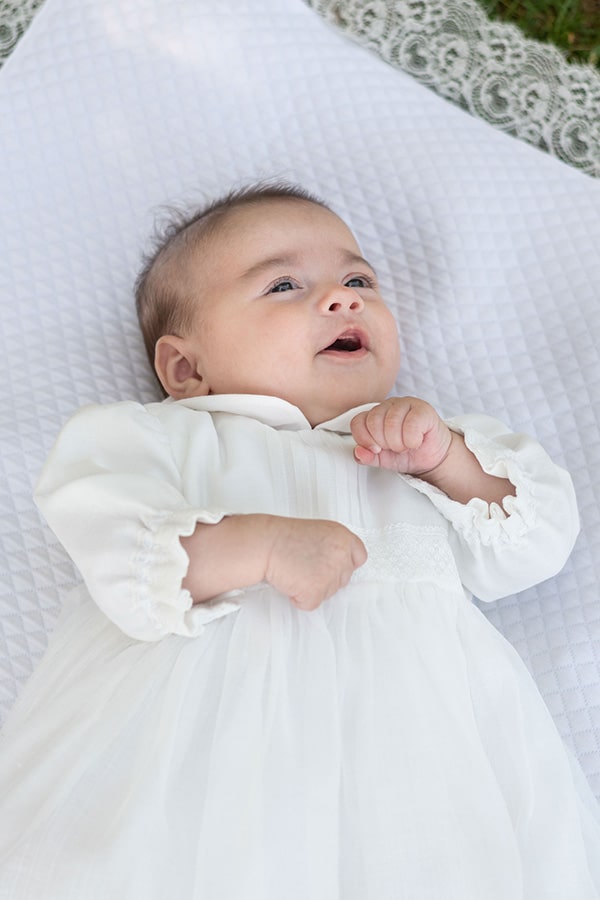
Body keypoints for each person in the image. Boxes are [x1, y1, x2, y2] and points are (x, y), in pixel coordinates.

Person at [0, 181, 599, 899]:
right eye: (284, 284)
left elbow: (534, 545)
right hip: (200, 739)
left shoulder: (429, 441)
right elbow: (114, 538)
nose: (343, 298)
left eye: (358, 279)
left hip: (413, 758)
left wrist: (446, 458)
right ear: (185, 370)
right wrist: (257, 547)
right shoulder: (156, 438)